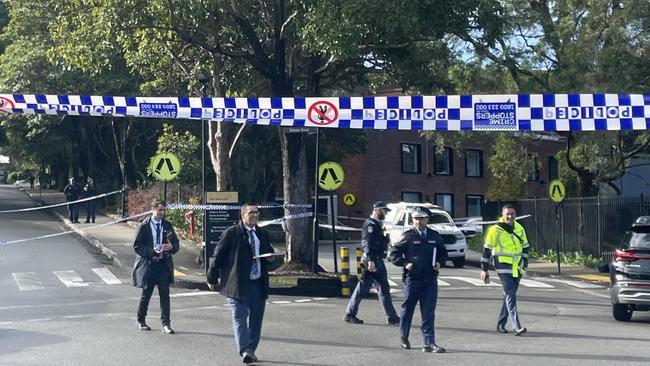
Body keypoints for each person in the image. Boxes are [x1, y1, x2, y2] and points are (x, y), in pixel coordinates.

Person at [207, 204, 276, 364]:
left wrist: (271, 258)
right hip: (237, 283)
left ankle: (250, 349)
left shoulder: (261, 233)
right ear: (243, 215)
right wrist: (211, 277)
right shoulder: (232, 233)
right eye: (251, 213)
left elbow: (268, 252)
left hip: (258, 283)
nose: (254, 216)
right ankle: (245, 350)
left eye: (256, 213)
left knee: (256, 320)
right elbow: (218, 256)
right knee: (239, 318)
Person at [389, 208, 447, 353]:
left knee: (428, 311)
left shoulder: (434, 235)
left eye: (421, 218)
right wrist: (404, 263)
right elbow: (393, 253)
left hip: (430, 279)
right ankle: (404, 337)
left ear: (427, 220)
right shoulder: (408, 235)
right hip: (413, 278)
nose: (418, 221)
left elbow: (443, 252)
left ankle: (428, 343)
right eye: (415, 218)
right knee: (407, 309)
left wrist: (440, 262)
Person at [343, 201, 400, 325]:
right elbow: (367, 243)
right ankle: (391, 316)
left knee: (366, 287)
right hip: (373, 260)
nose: (385, 213)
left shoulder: (376, 224)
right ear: (377, 210)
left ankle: (350, 313)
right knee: (382, 288)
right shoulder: (370, 224)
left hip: (375, 259)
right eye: (384, 211)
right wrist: (370, 260)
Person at [480, 204, 530, 336]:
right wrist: (484, 269)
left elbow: (525, 247)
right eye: (507, 214)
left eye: (512, 214)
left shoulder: (519, 228)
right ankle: (516, 326)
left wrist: (524, 264)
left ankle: (501, 324)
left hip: (517, 267)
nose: (510, 216)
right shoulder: (494, 230)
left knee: (509, 295)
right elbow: (486, 250)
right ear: (502, 215)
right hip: (502, 265)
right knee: (510, 293)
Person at [131, 200, 179, 334]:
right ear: (153, 210)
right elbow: (137, 246)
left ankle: (166, 324)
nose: (163, 213)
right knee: (146, 294)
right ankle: (141, 320)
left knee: (165, 295)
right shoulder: (144, 225)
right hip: (149, 264)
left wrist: (171, 247)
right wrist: (152, 251)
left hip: (163, 264)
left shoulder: (167, 225)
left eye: (164, 210)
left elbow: (176, 243)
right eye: (160, 210)